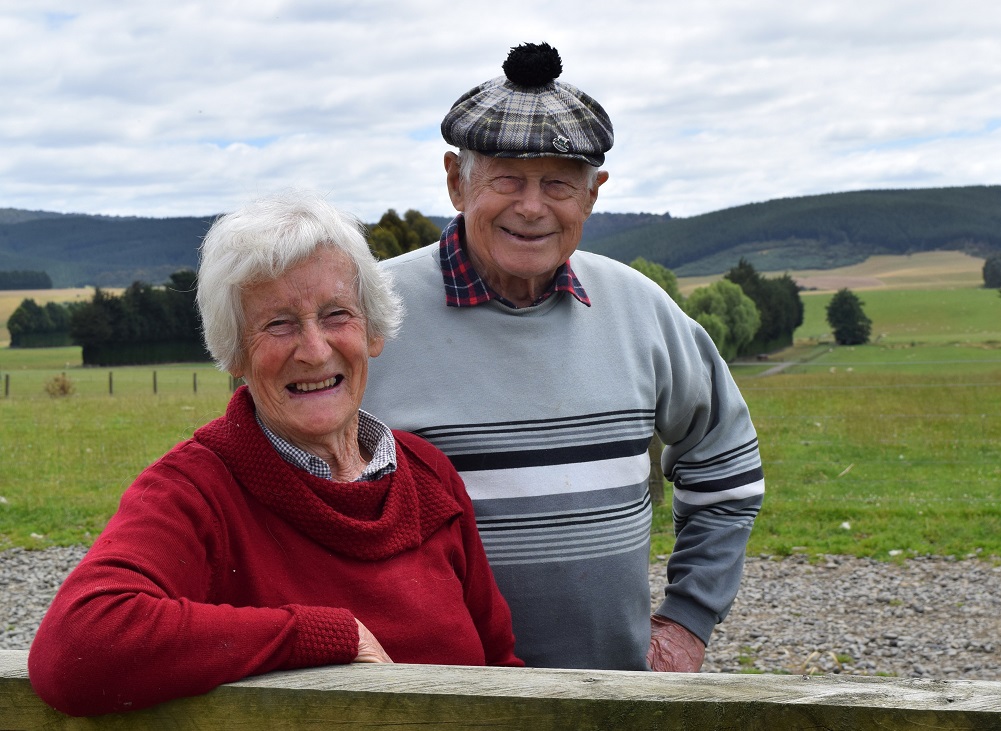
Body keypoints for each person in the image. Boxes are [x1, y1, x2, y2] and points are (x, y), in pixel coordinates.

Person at [28, 190, 521, 717]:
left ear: (373, 333)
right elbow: (76, 650)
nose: (313, 349)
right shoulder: (195, 490)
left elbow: (500, 667)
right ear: (235, 352)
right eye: (278, 323)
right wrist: (323, 635)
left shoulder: (428, 473)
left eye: (336, 315)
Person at [363, 43, 765, 672]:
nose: (532, 207)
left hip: (611, 699)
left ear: (593, 194)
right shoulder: (366, 316)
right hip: (430, 698)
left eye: (558, 184)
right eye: (507, 180)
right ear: (455, 181)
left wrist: (688, 619)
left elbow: (727, 463)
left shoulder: (641, 309)